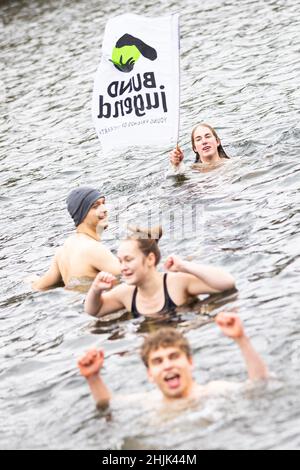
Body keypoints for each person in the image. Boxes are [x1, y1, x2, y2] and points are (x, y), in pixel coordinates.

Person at [77, 312, 269, 410]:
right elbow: (108, 404)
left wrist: (241, 339)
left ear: (190, 362)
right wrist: (93, 378)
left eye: (174, 356)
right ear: (149, 374)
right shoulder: (148, 403)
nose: (168, 365)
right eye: (158, 361)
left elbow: (260, 385)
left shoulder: (212, 392)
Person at [84, 226, 235, 318]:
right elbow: (94, 310)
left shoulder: (176, 283)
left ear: (150, 259)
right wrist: (95, 290)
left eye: (129, 260)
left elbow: (227, 283)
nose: (122, 267)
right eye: (120, 261)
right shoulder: (126, 293)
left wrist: (185, 266)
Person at [31, 187, 120, 291]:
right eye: (95, 206)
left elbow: (39, 286)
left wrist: (32, 279)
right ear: (81, 214)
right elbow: (132, 279)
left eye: (103, 203)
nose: (104, 209)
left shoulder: (63, 251)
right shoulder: (93, 249)